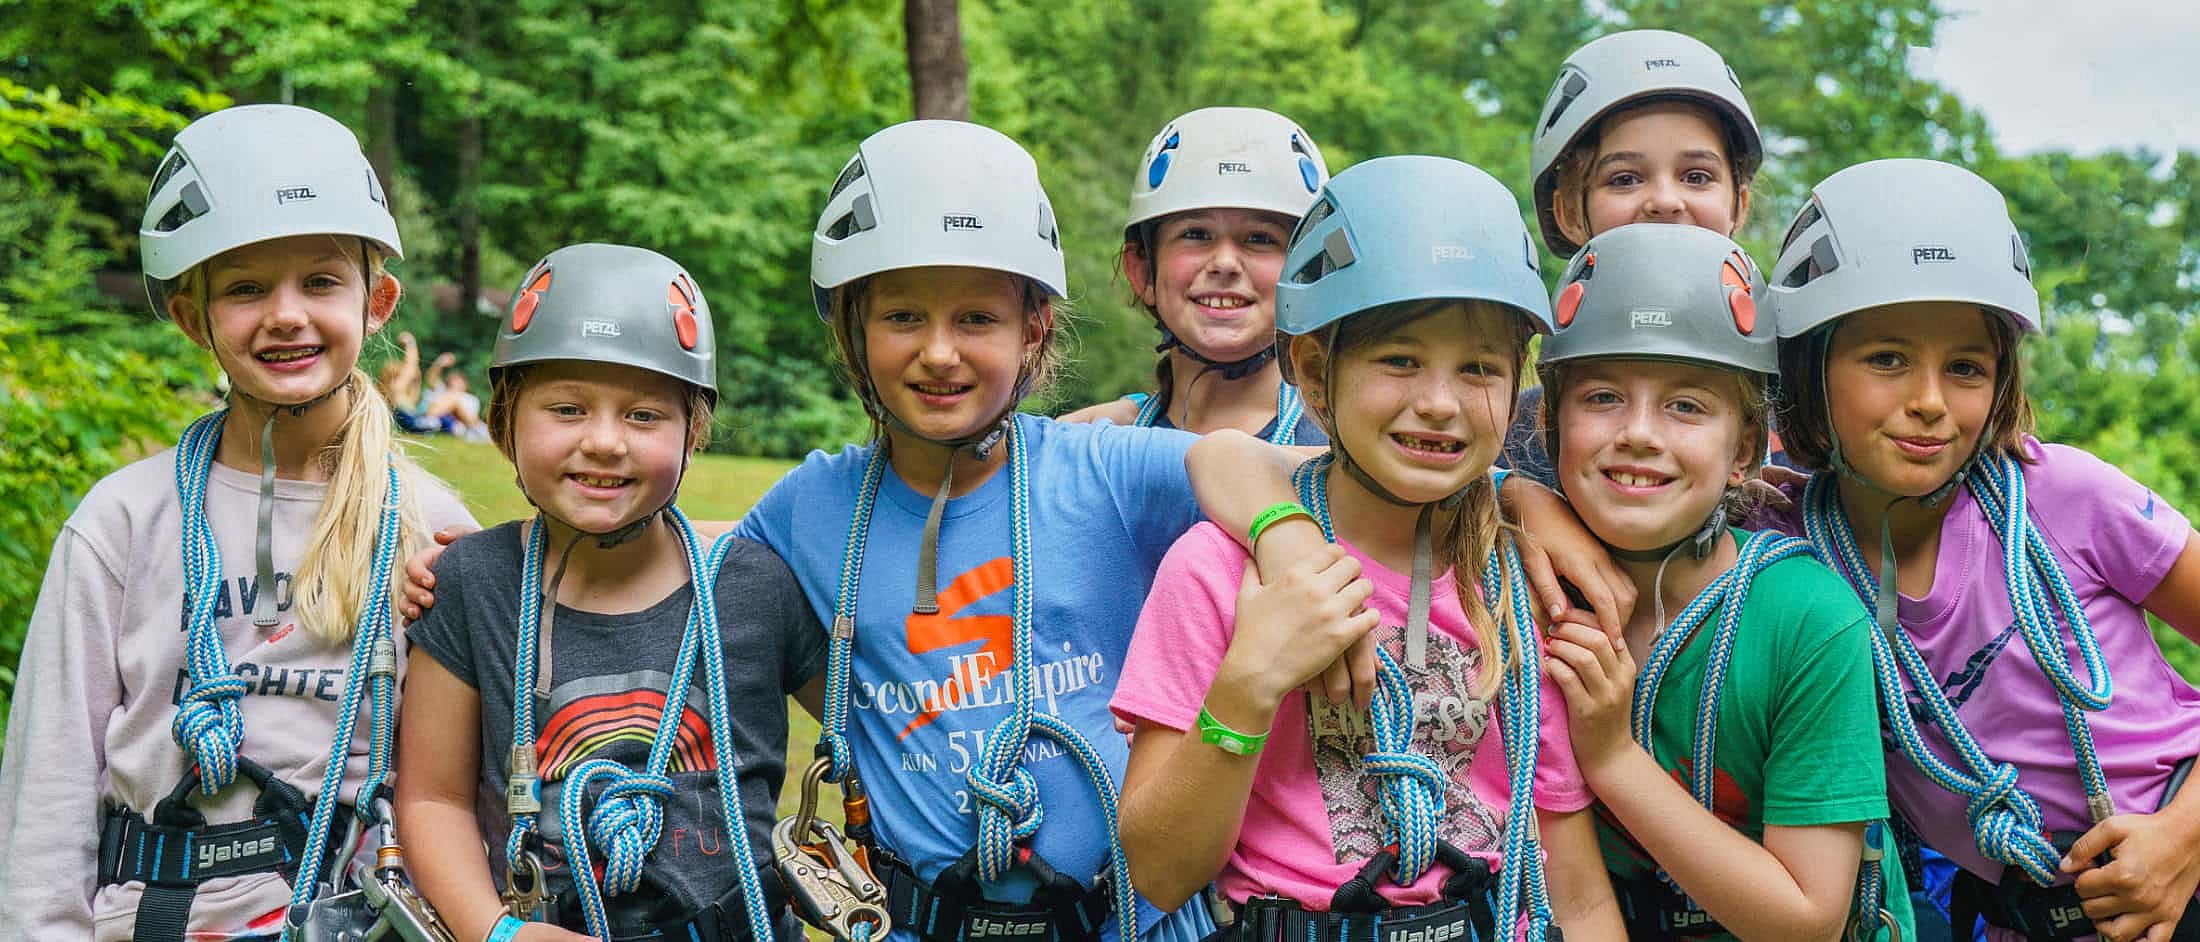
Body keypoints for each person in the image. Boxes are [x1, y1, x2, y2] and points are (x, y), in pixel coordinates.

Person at [1114, 155, 1624, 942]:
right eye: (1399, 359)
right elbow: (1159, 870)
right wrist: (1248, 686)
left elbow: (1577, 892)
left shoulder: (1523, 586)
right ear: (1317, 372)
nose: (1439, 403)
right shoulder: (1217, 572)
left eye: (1480, 368)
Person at [0, 103, 472, 941]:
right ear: (193, 319)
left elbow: (460, 783)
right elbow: (49, 784)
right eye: (247, 288)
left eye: (321, 281)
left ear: (377, 303)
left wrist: (483, 606)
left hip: (352, 916)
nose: (285, 314)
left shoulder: (426, 524)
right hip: (152, 915)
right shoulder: (124, 522)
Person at [1764, 158, 2200, 942]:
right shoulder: (1782, 549)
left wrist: (2184, 838)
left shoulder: (2061, 497)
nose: (1930, 400)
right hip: (2026, 915)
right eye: (1887, 359)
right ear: (1809, 367)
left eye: (1965, 366)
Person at [395, 243, 821, 942]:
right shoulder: (473, 585)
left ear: (693, 433)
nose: (603, 442)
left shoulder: (752, 588)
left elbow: (876, 732)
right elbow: (433, 797)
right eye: (566, 408)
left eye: (644, 416)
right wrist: (497, 933)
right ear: (504, 420)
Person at [1532, 223, 1913, 940]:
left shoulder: (1806, 619)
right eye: (1604, 397)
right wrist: (1509, 494)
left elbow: (1808, 920)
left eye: (1686, 406)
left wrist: (1612, 756)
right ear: (1551, 425)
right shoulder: (1523, 586)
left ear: (1743, 447)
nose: (1640, 432)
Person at [1503, 28, 1766, 485]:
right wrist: (1508, 489)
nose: (1665, 200)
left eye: (1697, 176)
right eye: (1624, 179)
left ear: (1740, 204)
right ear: (1567, 211)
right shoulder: (1514, 431)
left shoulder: (1789, 412)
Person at [1058, 107, 1329, 444]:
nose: (1225, 263)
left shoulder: (1346, 456)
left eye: (1261, 238)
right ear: (1142, 271)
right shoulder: (1088, 446)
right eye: (1196, 234)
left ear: (1307, 273)